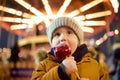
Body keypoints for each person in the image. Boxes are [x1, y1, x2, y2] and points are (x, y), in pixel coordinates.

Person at [31, 17, 110, 80]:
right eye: (57, 34)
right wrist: (60, 71)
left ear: (78, 41)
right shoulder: (44, 65)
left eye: (69, 32)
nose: (62, 38)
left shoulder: (94, 65)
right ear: (52, 44)